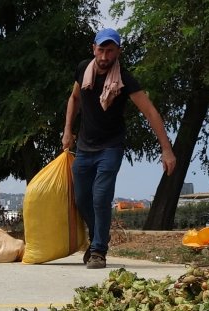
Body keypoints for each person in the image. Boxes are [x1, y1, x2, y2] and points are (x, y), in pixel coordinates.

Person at [62, 28, 176, 269]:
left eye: (110, 51)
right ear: (94, 48)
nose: (104, 56)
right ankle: (98, 239)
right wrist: (67, 130)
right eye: (101, 50)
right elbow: (74, 99)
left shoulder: (124, 79)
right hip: (84, 146)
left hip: (111, 147)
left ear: (118, 52)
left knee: (101, 197)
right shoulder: (84, 68)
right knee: (82, 199)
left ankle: (98, 251)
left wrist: (166, 149)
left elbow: (150, 111)